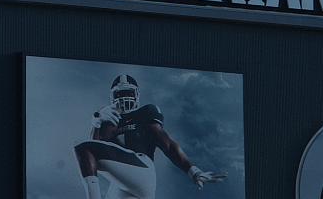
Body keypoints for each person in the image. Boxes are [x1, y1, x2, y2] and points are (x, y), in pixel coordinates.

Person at [73, 74, 226, 199]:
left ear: (136, 95)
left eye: (128, 93)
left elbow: (167, 144)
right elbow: (92, 155)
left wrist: (193, 170)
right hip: (121, 184)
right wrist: (97, 122)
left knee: (83, 147)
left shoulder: (145, 112)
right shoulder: (109, 120)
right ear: (113, 96)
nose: (124, 98)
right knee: (86, 149)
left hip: (142, 170)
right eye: (120, 94)